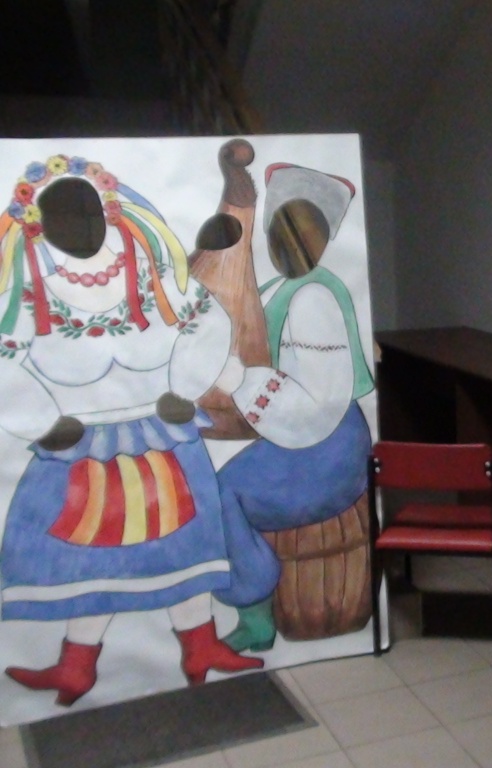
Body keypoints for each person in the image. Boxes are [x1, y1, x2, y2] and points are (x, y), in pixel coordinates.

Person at [0, 154, 263, 707]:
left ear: (107, 211)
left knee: (182, 546)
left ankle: (200, 647)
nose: (80, 227)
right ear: (39, 224)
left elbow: (204, 319)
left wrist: (184, 386)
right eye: (63, 218)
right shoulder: (28, 286)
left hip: (162, 431)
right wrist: (41, 421)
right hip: (76, 446)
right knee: (89, 561)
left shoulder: (146, 268)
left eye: (87, 213)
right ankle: (76, 667)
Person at [210, 162, 374, 651]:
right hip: (292, 434)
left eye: (305, 234)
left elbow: (317, 406)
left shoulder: (315, 298)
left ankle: (255, 610)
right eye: (282, 232)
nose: (293, 244)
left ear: (322, 240)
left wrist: (240, 381)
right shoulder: (276, 289)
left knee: (223, 492)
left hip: (327, 447)